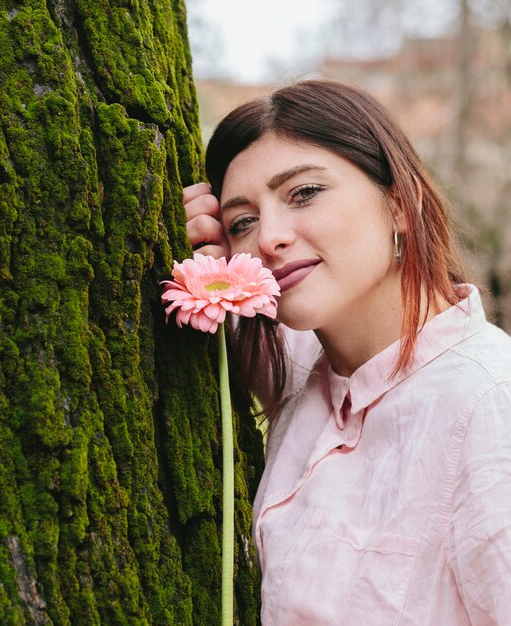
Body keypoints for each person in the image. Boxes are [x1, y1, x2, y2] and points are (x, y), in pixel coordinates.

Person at [184, 79, 511, 625]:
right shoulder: (302, 375)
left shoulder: (489, 406)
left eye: (304, 193)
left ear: (401, 204)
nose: (269, 238)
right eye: (243, 221)